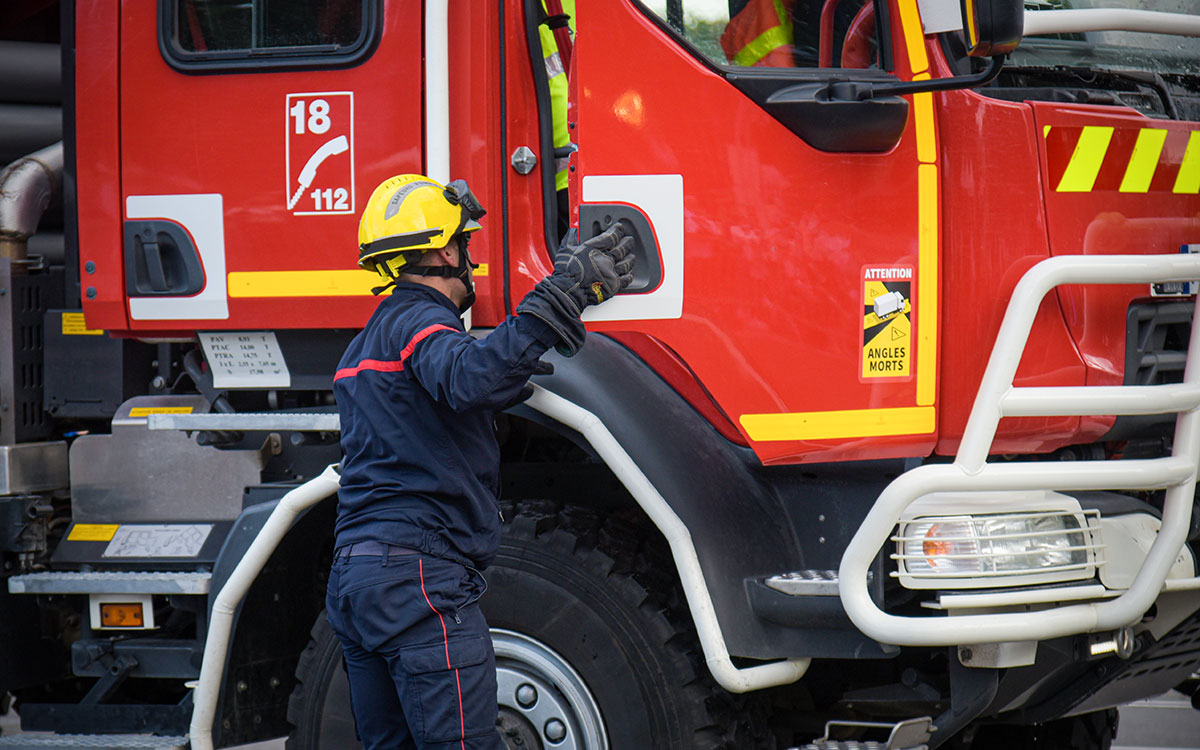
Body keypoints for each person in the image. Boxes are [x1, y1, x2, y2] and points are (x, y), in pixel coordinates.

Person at [327, 173, 634, 750]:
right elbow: (466, 378)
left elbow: (423, 413)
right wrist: (559, 298)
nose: (469, 256)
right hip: (417, 581)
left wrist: (505, 369)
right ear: (445, 250)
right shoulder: (422, 323)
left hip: (354, 581)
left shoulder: (362, 346)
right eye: (465, 243)